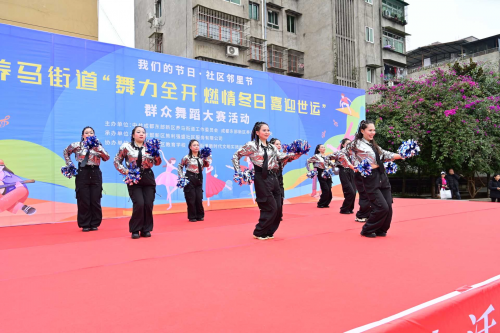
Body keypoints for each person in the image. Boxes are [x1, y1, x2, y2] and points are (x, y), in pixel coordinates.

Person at [232, 122, 298, 240]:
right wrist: (238, 172)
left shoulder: (272, 146)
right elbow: (236, 156)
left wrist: (294, 155)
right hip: (261, 176)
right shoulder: (251, 145)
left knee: (278, 207)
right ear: (257, 132)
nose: (267, 132)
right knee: (269, 206)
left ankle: (269, 231)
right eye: (264, 130)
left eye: (268, 130)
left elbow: (281, 157)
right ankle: (259, 231)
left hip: (274, 177)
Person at [339, 120, 404, 238]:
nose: (373, 132)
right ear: (362, 131)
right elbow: (341, 154)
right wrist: (351, 165)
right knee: (381, 206)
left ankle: (381, 229)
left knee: (388, 206)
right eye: (370, 130)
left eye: (374, 130)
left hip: (382, 175)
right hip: (370, 177)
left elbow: (384, 154)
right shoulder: (355, 144)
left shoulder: (373, 144)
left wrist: (401, 155)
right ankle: (368, 229)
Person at [114, 126, 161, 239]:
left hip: (148, 177)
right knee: (139, 203)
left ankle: (146, 229)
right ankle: (135, 229)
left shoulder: (150, 147)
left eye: (143, 132)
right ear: (133, 135)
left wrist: (156, 154)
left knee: (148, 204)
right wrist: (125, 171)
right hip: (133, 178)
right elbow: (117, 161)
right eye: (138, 132)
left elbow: (158, 163)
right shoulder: (126, 147)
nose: (141, 134)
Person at [63, 126, 109, 232]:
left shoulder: (98, 146)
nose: (89, 135)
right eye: (86, 133)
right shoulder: (77, 145)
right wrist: (69, 164)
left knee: (95, 199)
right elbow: (66, 152)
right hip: (82, 173)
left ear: (94, 135)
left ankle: (95, 223)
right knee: (83, 199)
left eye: (91, 133)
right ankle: (85, 224)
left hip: (95, 173)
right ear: (83, 135)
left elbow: (106, 157)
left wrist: (98, 148)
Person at [178, 140, 211, 222]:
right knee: (191, 197)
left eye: (197, 145)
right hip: (190, 177)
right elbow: (180, 166)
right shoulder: (187, 157)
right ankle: (192, 216)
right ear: (190, 147)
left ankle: (200, 215)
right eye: (194, 145)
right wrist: (181, 177)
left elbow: (207, 165)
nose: (196, 146)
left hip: (199, 177)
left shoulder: (202, 157)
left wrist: (206, 157)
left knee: (199, 197)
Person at [270, 138, 301, 220]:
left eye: (279, 144)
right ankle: (272, 216)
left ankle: (278, 215)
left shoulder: (283, 155)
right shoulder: (268, 155)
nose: (279, 145)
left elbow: (292, 157)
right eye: (276, 144)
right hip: (270, 179)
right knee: (271, 199)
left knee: (280, 198)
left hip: (279, 178)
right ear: (271, 145)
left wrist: (299, 152)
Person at [306, 144, 336, 208]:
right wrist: (310, 169)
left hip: (328, 174)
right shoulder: (316, 156)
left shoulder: (326, 157)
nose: (324, 148)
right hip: (321, 173)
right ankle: (320, 203)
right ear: (318, 149)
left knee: (329, 190)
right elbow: (307, 161)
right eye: (322, 147)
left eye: (324, 147)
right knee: (325, 189)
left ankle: (326, 203)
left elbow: (331, 164)